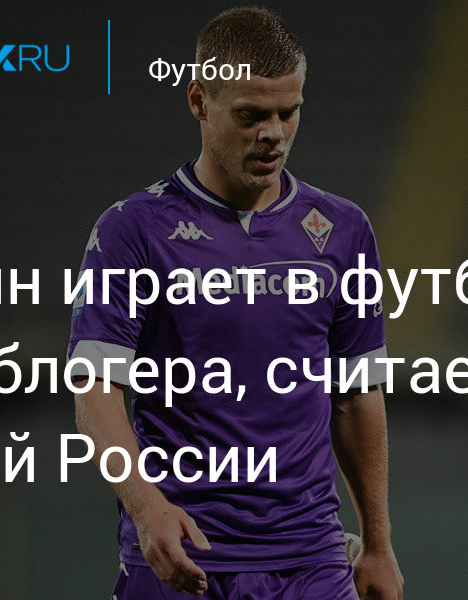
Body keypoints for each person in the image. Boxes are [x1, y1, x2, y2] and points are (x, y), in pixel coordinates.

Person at [67, 7, 403, 600]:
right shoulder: (133, 229)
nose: (273, 133)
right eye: (250, 115)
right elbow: (95, 391)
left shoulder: (344, 230)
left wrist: (378, 544)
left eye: (288, 112)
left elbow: (356, 397)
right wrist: (146, 509)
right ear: (199, 100)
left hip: (311, 561)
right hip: (181, 554)